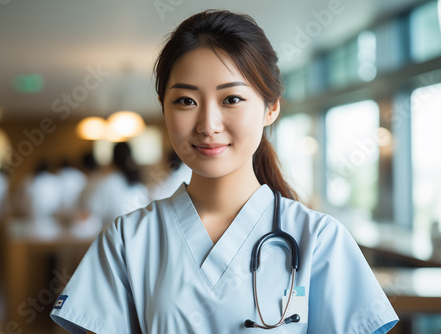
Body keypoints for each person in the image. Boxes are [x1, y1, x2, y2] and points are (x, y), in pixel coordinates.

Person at [51, 9, 398, 333]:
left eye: (231, 99)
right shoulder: (128, 240)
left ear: (271, 108)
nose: (207, 125)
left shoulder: (319, 240)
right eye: (186, 101)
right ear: (164, 109)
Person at [88, 142, 149, 227]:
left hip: (113, 235)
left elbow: (93, 212)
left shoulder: (107, 184)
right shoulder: (139, 185)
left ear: (113, 159)